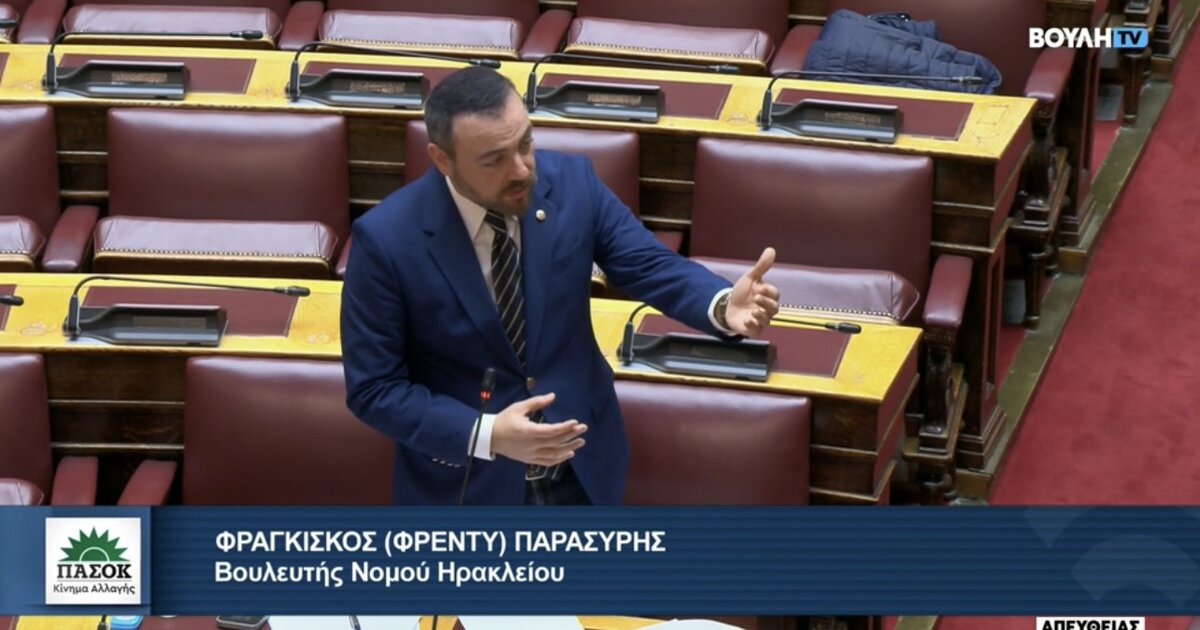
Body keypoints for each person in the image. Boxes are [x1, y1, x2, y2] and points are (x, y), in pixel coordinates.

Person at [341, 66, 780, 506]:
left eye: (525, 144)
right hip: (468, 487)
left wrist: (720, 304)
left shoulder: (573, 184)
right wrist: (488, 433)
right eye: (494, 160)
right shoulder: (386, 240)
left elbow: (647, 263)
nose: (521, 170)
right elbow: (375, 389)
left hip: (582, 469)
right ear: (442, 160)